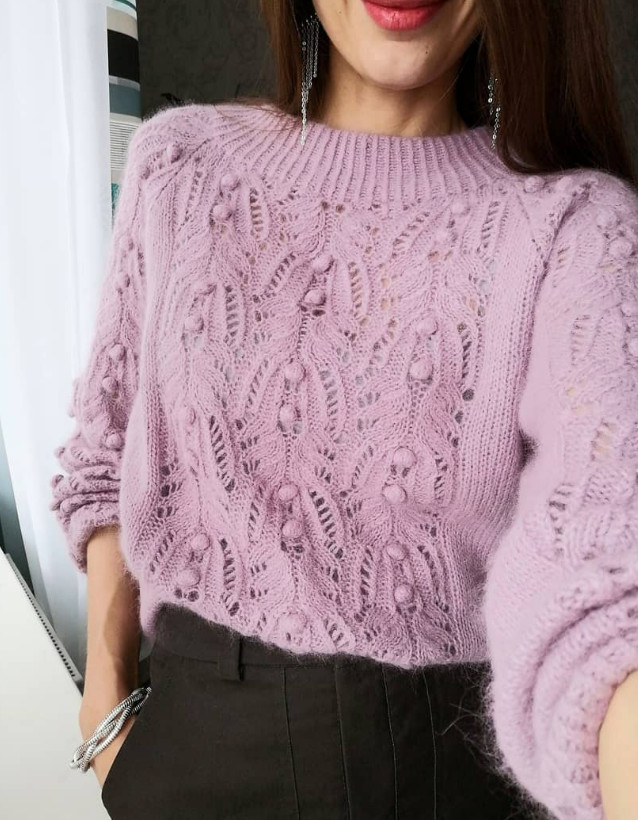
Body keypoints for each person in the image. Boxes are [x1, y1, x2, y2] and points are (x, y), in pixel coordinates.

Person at [50, 0, 638, 818]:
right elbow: (106, 453)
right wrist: (105, 700)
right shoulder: (179, 168)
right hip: (188, 748)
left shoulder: (578, 231)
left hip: (444, 778)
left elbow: (606, 573)